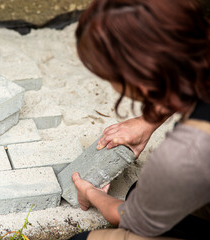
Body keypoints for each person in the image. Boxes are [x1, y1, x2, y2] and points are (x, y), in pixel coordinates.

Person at [68, 0, 210, 239]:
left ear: (137, 78)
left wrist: (91, 193)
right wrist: (149, 121)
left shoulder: (185, 154)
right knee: (143, 191)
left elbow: (132, 218)